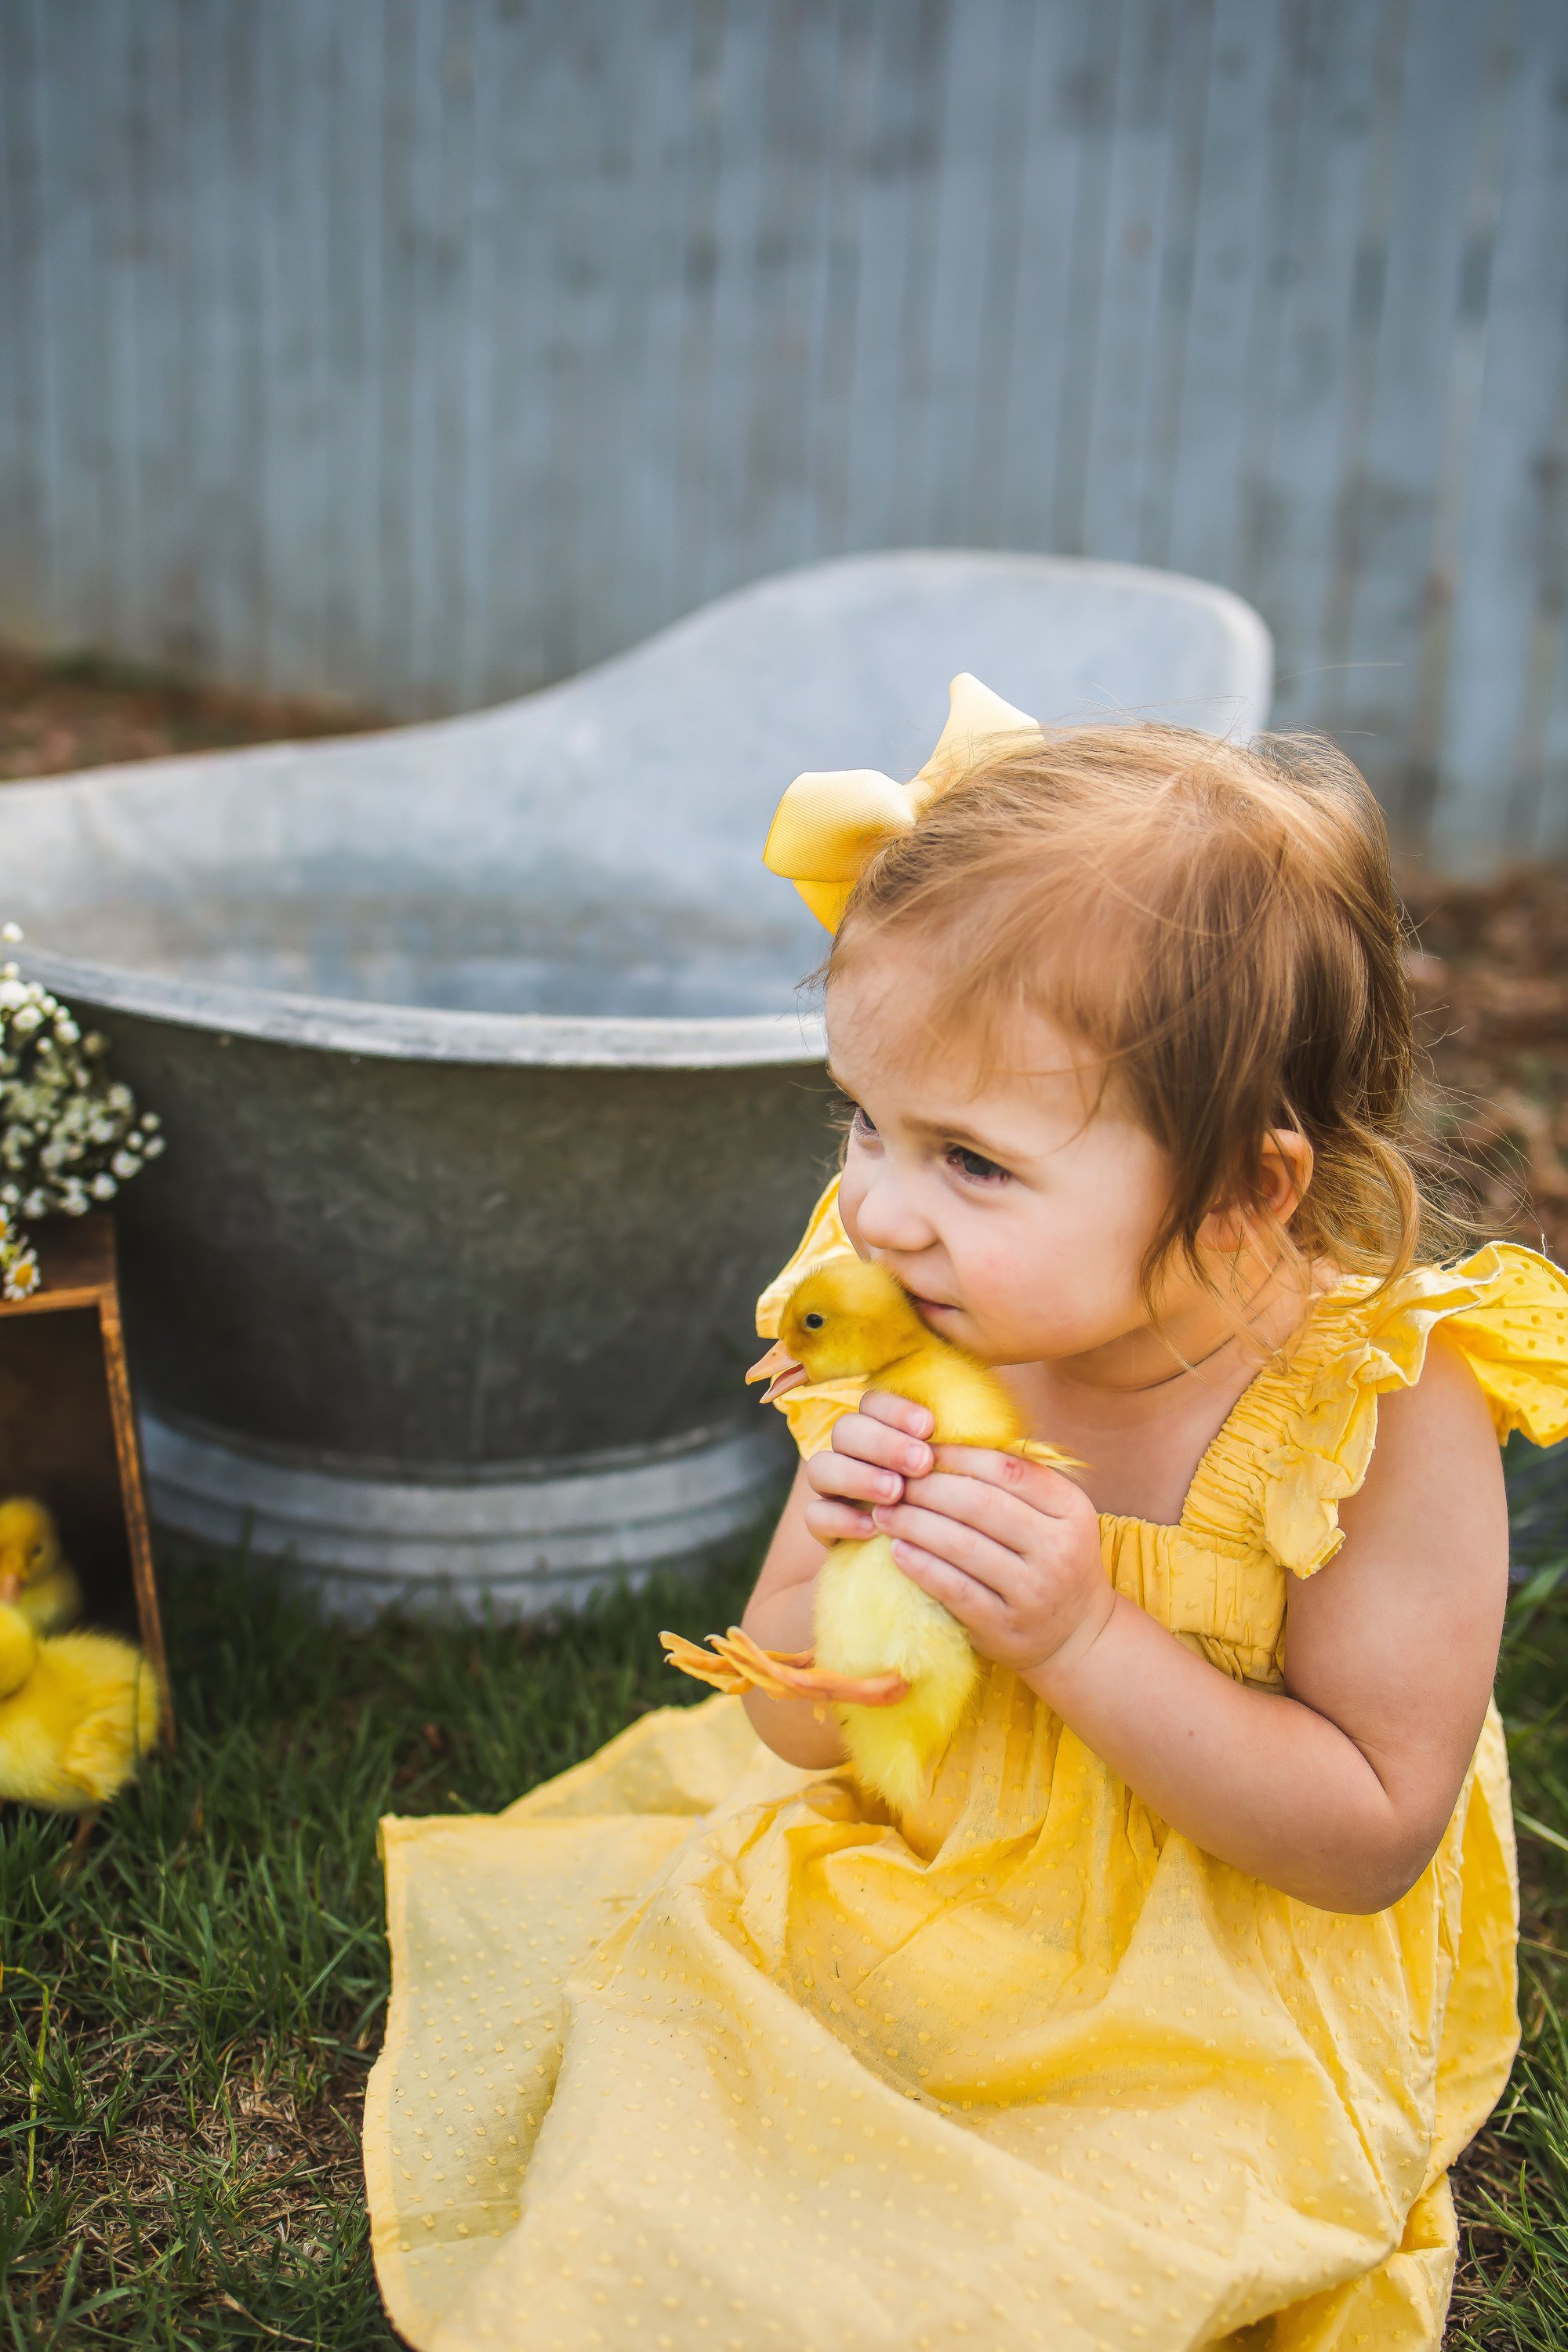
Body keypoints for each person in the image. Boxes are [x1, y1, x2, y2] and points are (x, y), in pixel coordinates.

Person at [365, 682, 1568, 2351]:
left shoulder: (1375, 1411)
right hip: (939, 1860)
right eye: (867, 1120)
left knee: (1090, 2228)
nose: (877, 1208)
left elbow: (1367, 1838)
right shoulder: (931, 1324)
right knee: (715, 2107)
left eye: (972, 1161)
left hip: (1228, 1947)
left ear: (1243, 1193)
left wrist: (1080, 1637)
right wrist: (837, 1539)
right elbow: (795, 1725)